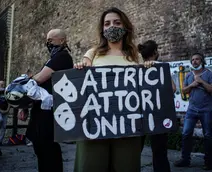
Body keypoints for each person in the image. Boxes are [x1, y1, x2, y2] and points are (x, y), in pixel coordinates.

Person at [74, 7, 145, 172]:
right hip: (95, 125)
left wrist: (151, 69)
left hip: (127, 126)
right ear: (102, 29)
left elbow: (144, 85)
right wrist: (79, 69)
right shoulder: (93, 53)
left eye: (116, 22)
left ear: (125, 27)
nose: (111, 26)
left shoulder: (135, 56)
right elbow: (84, 79)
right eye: (107, 24)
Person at [26, 29, 73, 172]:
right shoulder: (54, 57)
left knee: (47, 149)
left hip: (48, 112)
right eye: (47, 40)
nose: (48, 43)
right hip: (42, 110)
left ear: (62, 40)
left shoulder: (62, 57)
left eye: (51, 40)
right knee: (41, 148)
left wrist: (27, 80)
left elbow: (40, 78)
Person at [138, 40, 176, 172]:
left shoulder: (136, 68)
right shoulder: (161, 67)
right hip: (159, 115)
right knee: (159, 152)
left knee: (135, 150)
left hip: (140, 115)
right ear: (155, 52)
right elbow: (173, 88)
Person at [174, 53, 212, 171]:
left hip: (206, 110)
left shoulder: (209, 74)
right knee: (186, 134)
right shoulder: (189, 75)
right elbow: (184, 91)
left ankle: (208, 162)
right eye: (192, 60)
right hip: (191, 109)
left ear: (202, 61)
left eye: (197, 59)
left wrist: (201, 81)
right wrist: (192, 84)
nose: (194, 61)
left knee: (208, 135)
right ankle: (185, 160)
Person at [0, 80, 10, 146]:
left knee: (3, 126)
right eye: (0, 84)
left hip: (6, 110)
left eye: (3, 84)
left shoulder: (7, 92)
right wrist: (0, 110)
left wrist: (7, 110)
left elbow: (10, 101)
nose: (1, 85)